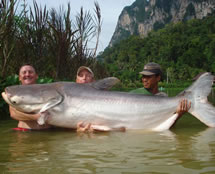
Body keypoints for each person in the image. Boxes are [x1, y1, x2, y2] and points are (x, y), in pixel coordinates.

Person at [9, 64, 51, 131]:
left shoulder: (46, 91)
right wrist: (35, 117)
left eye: (30, 72)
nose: (27, 74)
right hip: (25, 133)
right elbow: (13, 113)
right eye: (24, 72)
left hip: (49, 132)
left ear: (36, 76)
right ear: (19, 77)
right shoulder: (15, 93)